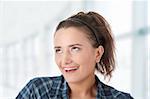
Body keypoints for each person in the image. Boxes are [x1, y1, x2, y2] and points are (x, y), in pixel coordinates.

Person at [16, 11, 133, 99]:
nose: (64, 60)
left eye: (75, 48)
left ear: (97, 53)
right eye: (58, 50)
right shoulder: (38, 91)